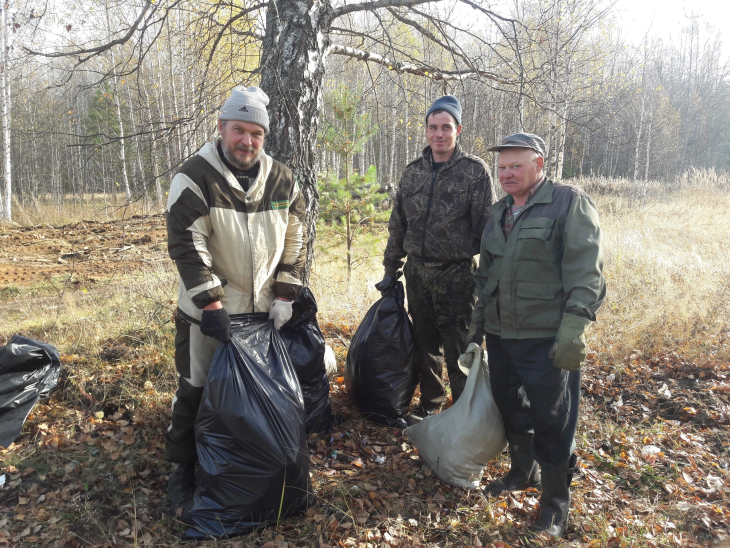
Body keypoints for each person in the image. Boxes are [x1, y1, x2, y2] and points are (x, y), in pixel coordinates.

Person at [164, 86, 307, 518]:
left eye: (256, 133)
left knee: (259, 400)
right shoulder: (194, 177)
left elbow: (297, 238)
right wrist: (210, 304)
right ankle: (181, 470)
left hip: (263, 316)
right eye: (238, 130)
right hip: (209, 315)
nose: (246, 141)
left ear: (265, 136)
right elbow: (188, 246)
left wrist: (285, 293)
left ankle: (248, 475)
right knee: (196, 390)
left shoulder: (283, 180)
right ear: (221, 128)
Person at [467, 133, 606, 537]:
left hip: (547, 336)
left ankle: (555, 503)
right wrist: (477, 329)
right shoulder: (499, 213)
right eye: (503, 167)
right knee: (511, 407)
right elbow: (486, 277)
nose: (507, 174)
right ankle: (521, 472)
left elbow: (585, 271)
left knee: (553, 417)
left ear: (539, 165)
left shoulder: (568, 203)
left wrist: (575, 327)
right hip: (502, 333)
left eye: (517, 165)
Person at [379, 95, 496, 424]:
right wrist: (392, 271)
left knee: (459, 347)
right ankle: (431, 405)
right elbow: (398, 225)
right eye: (433, 127)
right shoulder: (412, 172)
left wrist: (487, 279)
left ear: (458, 130)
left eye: (446, 127)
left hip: (456, 275)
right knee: (424, 343)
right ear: (426, 131)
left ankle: (464, 413)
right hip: (416, 272)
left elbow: (488, 231)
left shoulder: (474, 173)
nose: (439, 134)